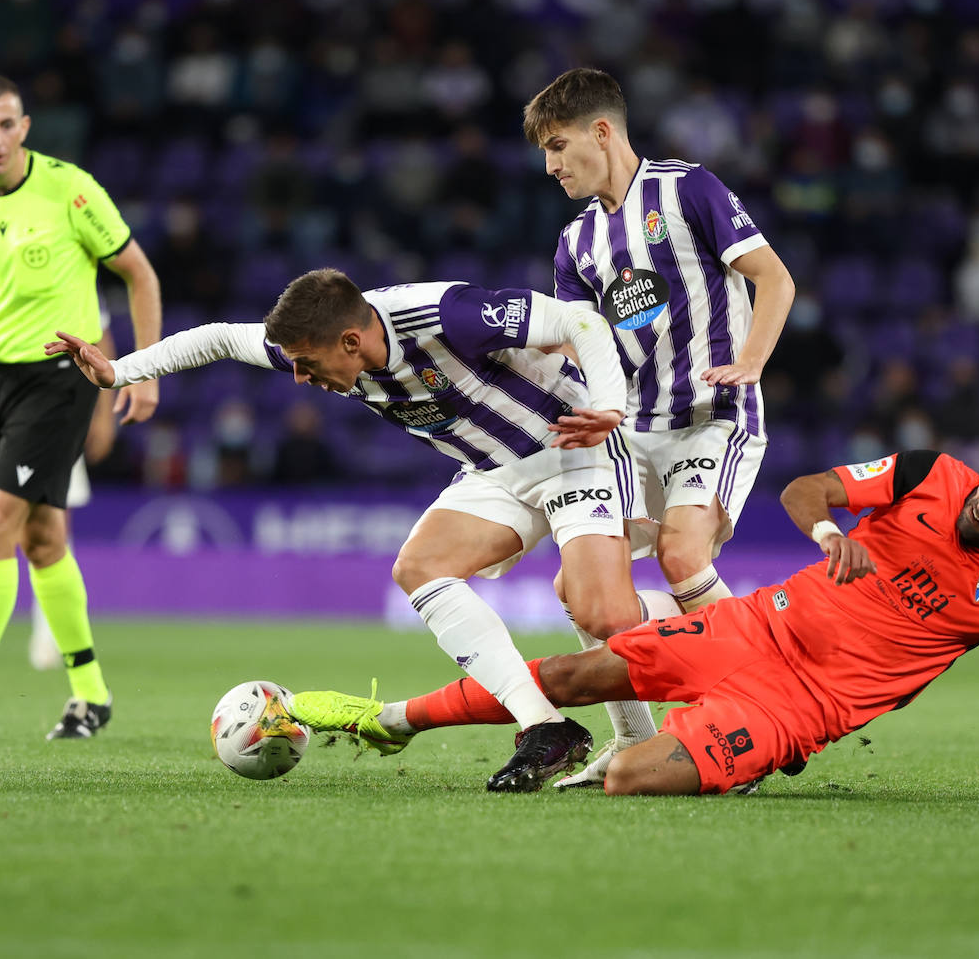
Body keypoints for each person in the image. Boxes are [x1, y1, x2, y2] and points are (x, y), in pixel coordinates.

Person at [48, 268, 668, 791]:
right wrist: (118, 373)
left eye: (306, 365)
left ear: (349, 340)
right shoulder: (314, 340)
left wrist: (608, 405)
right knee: (419, 568)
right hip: (495, 469)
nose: (298, 378)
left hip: (573, 447)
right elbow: (213, 339)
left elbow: (581, 322)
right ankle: (545, 729)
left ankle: (671, 670)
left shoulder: (444, 314)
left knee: (598, 612)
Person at [289, 432, 979, 806]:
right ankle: (390, 721)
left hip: (799, 706)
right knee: (579, 673)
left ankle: (737, 754)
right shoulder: (928, 475)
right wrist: (833, 531)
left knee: (627, 777)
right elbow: (807, 490)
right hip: (755, 627)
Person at [523, 68, 798, 783]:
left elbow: (775, 278)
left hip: (713, 417)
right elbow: (572, 342)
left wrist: (751, 362)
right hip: (635, 430)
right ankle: (633, 736)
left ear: (603, 132)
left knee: (682, 555)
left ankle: (764, 710)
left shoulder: (688, 189)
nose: (551, 166)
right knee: (580, 588)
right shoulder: (577, 241)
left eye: (558, 146)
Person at [0, 73, 162, 741]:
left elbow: (140, 274)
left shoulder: (70, 188)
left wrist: (144, 370)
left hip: (58, 381)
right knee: (43, 540)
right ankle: (91, 696)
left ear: (25, 127)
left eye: (5, 124)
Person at [0, 323, 118, 671]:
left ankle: (51, 639)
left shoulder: (73, 271)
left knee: (53, 521)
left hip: (57, 401)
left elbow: (100, 333)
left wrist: (103, 414)